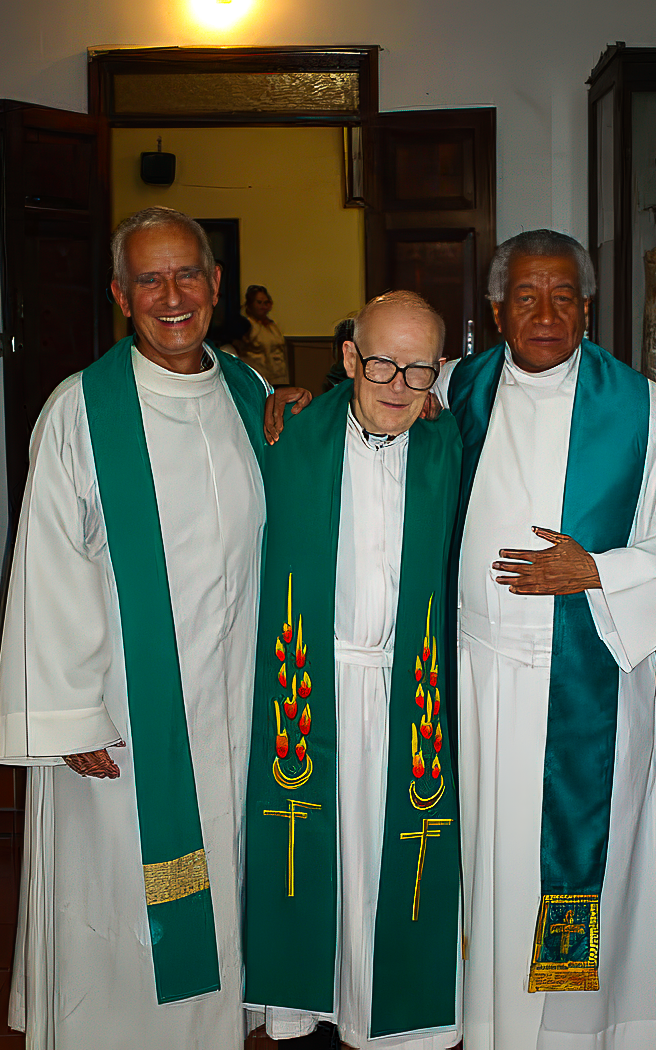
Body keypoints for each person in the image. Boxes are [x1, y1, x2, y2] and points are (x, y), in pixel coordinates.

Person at [0, 206, 307, 1050]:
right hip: (124, 720)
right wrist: (70, 713)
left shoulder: (247, 392)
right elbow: (49, 565)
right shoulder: (80, 411)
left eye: (186, 275)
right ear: (120, 296)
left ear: (215, 284)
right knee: (123, 904)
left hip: (235, 704)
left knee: (223, 881)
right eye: (149, 280)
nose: (172, 296)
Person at [434, 230, 656, 1049]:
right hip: (476, 683)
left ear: (587, 308)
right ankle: (487, 1023)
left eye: (563, 296)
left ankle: (586, 1036)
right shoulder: (454, 389)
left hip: (593, 685)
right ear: (496, 309)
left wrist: (597, 569)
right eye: (525, 296)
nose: (545, 313)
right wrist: (295, 399)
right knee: (489, 864)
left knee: (591, 868)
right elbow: (367, 414)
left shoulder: (645, 411)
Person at [244, 292, 463, 1050]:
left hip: (410, 690)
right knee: (318, 854)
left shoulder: (451, 445)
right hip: (311, 686)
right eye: (380, 364)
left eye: (417, 368)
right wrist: (276, 395)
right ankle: (307, 1007)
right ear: (347, 358)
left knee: (387, 856)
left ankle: (387, 1020)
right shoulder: (285, 434)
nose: (398, 385)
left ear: (439, 371)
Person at [231, 284, 290, 387]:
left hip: (279, 380)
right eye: (259, 302)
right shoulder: (245, 325)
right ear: (250, 304)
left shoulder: (272, 326)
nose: (263, 306)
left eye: (266, 302)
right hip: (255, 381)